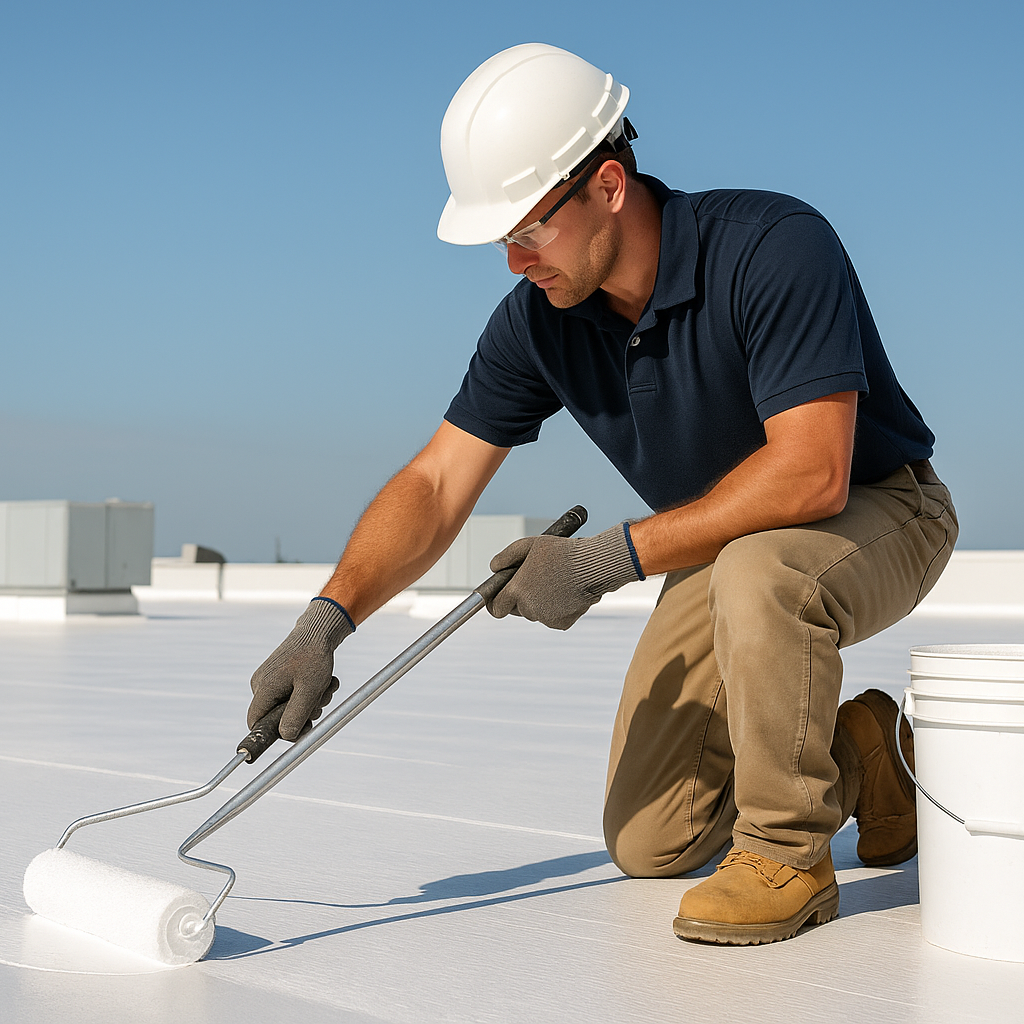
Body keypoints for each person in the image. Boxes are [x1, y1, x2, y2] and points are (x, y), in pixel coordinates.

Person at [247, 43, 958, 946]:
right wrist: (325, 622)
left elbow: (812, 472)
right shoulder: (540, 323)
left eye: (529, 229)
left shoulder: (774, 248)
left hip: (880, 509)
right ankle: (866, 759)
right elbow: (434, 481)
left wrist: (602, 561)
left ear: (609, 186)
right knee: (650, 840)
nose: (513, 261)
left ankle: (788, 853)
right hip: (724, 548)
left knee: (762, 575)